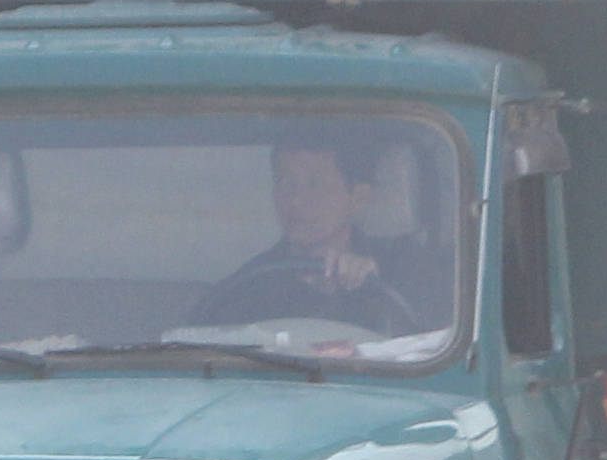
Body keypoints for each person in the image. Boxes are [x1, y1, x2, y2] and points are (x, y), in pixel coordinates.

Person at [191, 131, 453, 336]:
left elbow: (439, 340)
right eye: (284, 181)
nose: (295, 199)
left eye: (314, 183)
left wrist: (373, 286)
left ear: (358, 197)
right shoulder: (247, 287)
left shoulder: (404, 266)